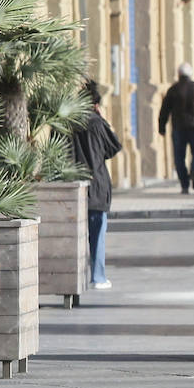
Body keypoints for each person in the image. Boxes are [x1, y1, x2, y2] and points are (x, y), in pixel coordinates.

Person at [70, 79, 121, 291]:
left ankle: (75, 276)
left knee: (73, 236)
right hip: (96, 187)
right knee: (97, 233)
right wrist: (102, 119)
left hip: (72, 187)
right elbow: (113, 147)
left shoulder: (67, 122)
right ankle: (98, 277)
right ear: (95, 104)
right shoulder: (96, 123)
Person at [158, 63, 194, 194]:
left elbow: (164, 110)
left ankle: (184, 184)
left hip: (178, 128)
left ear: (179, 74)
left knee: (179, 157)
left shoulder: (173, 89)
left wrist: (161, 126)